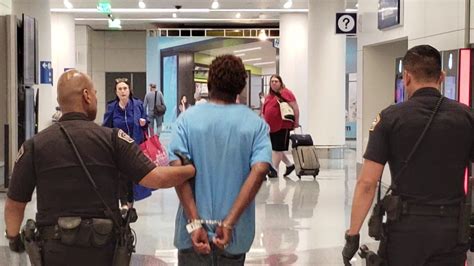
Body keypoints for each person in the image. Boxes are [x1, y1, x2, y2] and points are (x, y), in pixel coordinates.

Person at [4, 70, 195, 265]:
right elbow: (157, 177)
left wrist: (13, 239)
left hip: (54, 251)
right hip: (102, 249)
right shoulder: (113, 139)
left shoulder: (35, 145)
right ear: (86, 96)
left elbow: (14, 203)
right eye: (94, 93)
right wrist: (190, 169)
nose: (96, 98)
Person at [342, 45, 474, 265]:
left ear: (406, 77)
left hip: (405, 230)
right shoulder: (466, 117)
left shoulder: (390, 118)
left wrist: (353, 236)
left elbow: (367, 182)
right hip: (452, 228)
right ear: (441, 77)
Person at [168, 54, 272, 265]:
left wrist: (195, 223)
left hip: (192, 236)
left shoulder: (186, 120)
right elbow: (260, 169)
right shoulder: (255, 124)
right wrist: (229, 222)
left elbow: (177, 170)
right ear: (241, 86)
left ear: (209, 82)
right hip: (234, 236)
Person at [103, 78, 148, 208]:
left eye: (125, 88)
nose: (123, 91)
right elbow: (106, 126)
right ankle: (123, 203)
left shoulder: (137, 105)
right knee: (121, 175)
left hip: (135, 146)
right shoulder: (112, 107)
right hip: (118, 148)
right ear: (116, 92)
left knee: (132, 176)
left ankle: (129, 202)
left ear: (129, 91)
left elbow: (145, 120)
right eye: (120, 89)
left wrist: (144, 122)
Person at [261, 75, 300, 178]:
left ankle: (274, 170)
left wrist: (296, 122)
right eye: (272, 81)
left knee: (277, 149)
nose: (274, 83)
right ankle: (289, 165)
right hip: (271, 127)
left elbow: (295, 108)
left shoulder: (286, 93)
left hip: (282, 125)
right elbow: (264, 110)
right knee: (276, 148)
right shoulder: (269, 96)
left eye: (276, 81)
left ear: (280, 82)